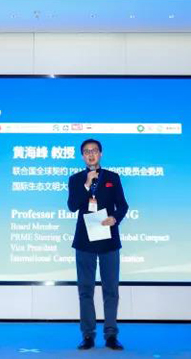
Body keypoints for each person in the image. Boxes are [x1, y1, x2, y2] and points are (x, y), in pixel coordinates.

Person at [67, 139, 129, 351]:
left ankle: (111, 335)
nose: (91, 154)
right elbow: (72, 206)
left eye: (94, 150)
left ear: (101, 154)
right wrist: (86, 185)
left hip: (108, 239)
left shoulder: (112, 177)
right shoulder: (76, 179)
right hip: (84, 241)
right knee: (85, 290)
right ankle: (88, 335)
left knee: (111, 290)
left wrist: (115, 218)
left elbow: (123, 205)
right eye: (86, 151)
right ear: (82, 156)